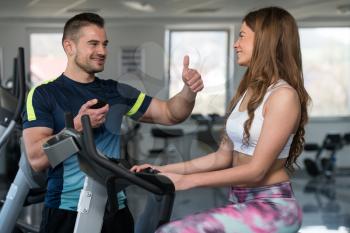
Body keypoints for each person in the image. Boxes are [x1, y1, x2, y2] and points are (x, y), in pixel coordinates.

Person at [132, 6, 310, 233]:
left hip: (273, 207)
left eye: (242, 36)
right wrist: (163, 169)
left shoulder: (283, 96)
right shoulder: (248, 91)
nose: (236, 44)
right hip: (241, 201)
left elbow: (256, 171)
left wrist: (186, 182)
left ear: (266, 41)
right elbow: (221, 157)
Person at [22, 13, 203, 233]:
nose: (102, 51)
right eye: (93, 44)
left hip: (115, 210)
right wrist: (78, 127)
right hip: (66, 211)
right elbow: (36, 159)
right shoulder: (44, 94)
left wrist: (188, 91)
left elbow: (170, 113)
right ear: (69, 47)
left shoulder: (116, 91)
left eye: (105, 44)